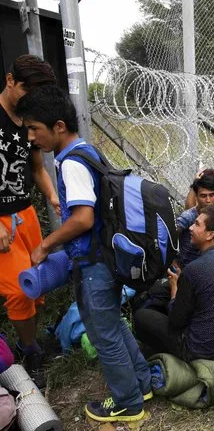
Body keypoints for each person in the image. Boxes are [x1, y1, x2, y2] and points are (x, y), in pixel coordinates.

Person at [17, 85, 151, 422]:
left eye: (35, 128)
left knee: (103, 333)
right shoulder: (86, 150)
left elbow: (83, 218)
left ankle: (129, 403)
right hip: (107, 257)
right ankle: (142, 383)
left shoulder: (70, 163)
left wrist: (45, 244)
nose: (32, 137)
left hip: (95, 264)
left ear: (58, 126)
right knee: (113, 326)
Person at [0, 55, 58, 381]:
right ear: (10, 80)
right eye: (27, 90)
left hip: (25, 214)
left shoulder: (26, 121)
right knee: (20, 289)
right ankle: (30, 350)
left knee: (38, 284)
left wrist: (51, 196)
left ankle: (32, 338)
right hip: (0, 220)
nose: (30, 98)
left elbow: (36, 168)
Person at [134, 205, 214, 359]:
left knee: (142, 316)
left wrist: (175, 289)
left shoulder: (194, 269)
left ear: (210, 235)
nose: (190, 228)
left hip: (202, 352)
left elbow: (176, 321)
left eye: (196, 224)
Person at [176, 171, 214, 267]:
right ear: (196, 197)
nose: (208, 200)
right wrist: (174, 264)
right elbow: (169, 237)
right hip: (187, 268)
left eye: (212, 195)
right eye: (203, 196)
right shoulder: (188, 217)